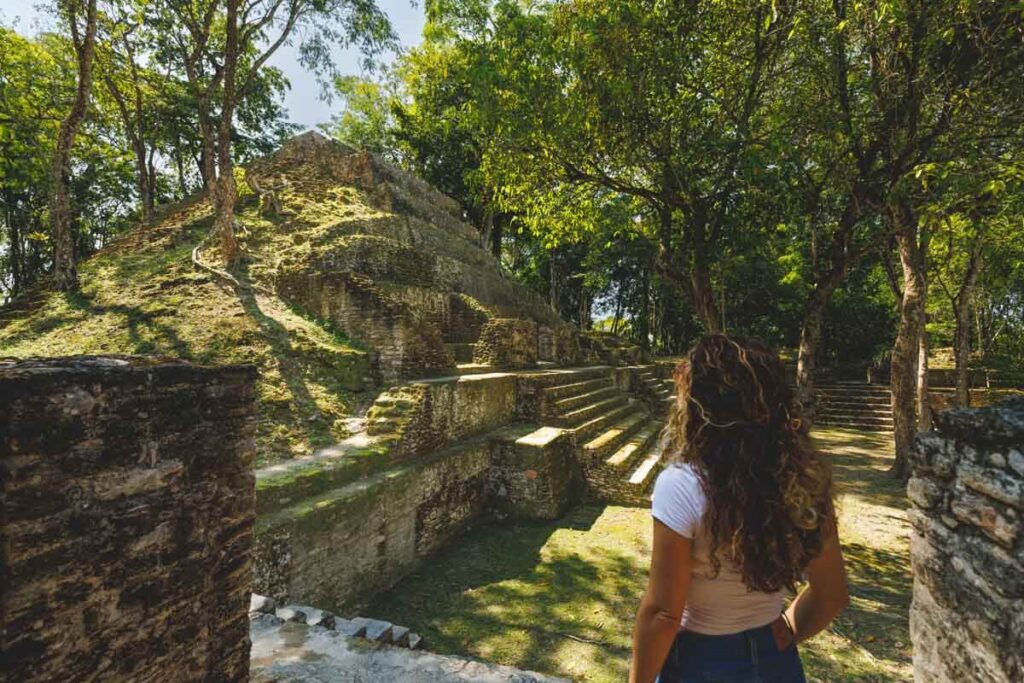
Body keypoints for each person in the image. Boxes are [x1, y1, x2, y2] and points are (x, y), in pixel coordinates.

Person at [630, 335, 849, 683]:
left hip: (700, 661)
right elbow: (832, 592)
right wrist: (788, 629)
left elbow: (662, 615)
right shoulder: (802, 482)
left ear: (701, 404)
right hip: (774, 658)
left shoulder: (684, 485)